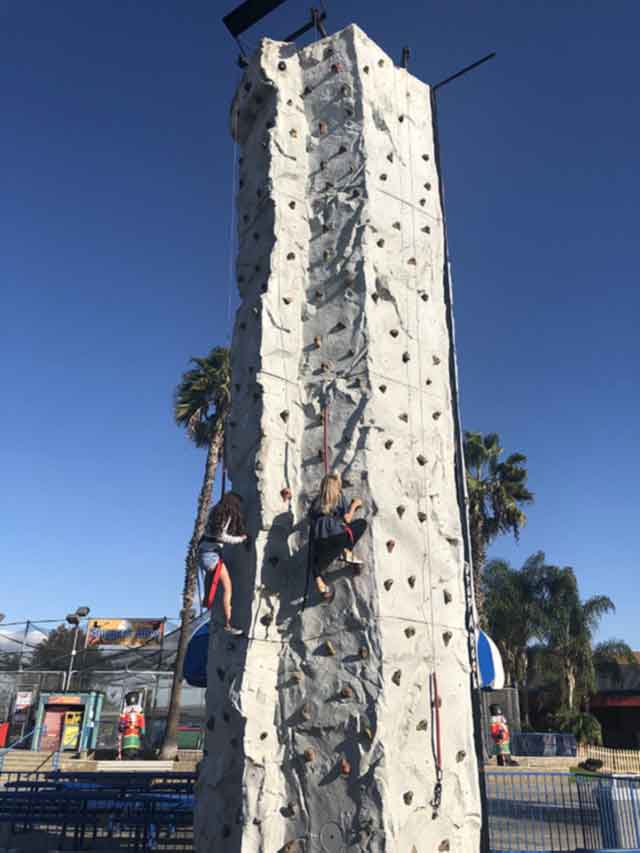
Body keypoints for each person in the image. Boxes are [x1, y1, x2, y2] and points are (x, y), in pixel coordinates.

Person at [309, 472, 367, 600]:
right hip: (337, 537)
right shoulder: (339, 497)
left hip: (319, 540)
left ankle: (321, 586)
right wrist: (354, 505)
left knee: (315, 564)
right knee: (361, 524)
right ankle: (346, 550)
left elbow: (311, 519)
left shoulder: (315, 502)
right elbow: (347, 518)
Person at [199, 491, 248, 635]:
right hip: (212, 556)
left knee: (211, 581)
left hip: (204, 553)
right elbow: (221, 536)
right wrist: (240, 539)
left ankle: (207, 603)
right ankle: (228, 623)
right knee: (228, 588)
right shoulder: (226, 515)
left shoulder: (215, 511)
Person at [118, 691, 146, 760]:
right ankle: (127, 754)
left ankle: (135, 754)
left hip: (136, 731)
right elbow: (122, 720)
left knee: (135, 745)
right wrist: (121, 726)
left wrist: (142, 731)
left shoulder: (139, 710)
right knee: (127, 745)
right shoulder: (125, 711)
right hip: (127, 731)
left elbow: (141, 721)